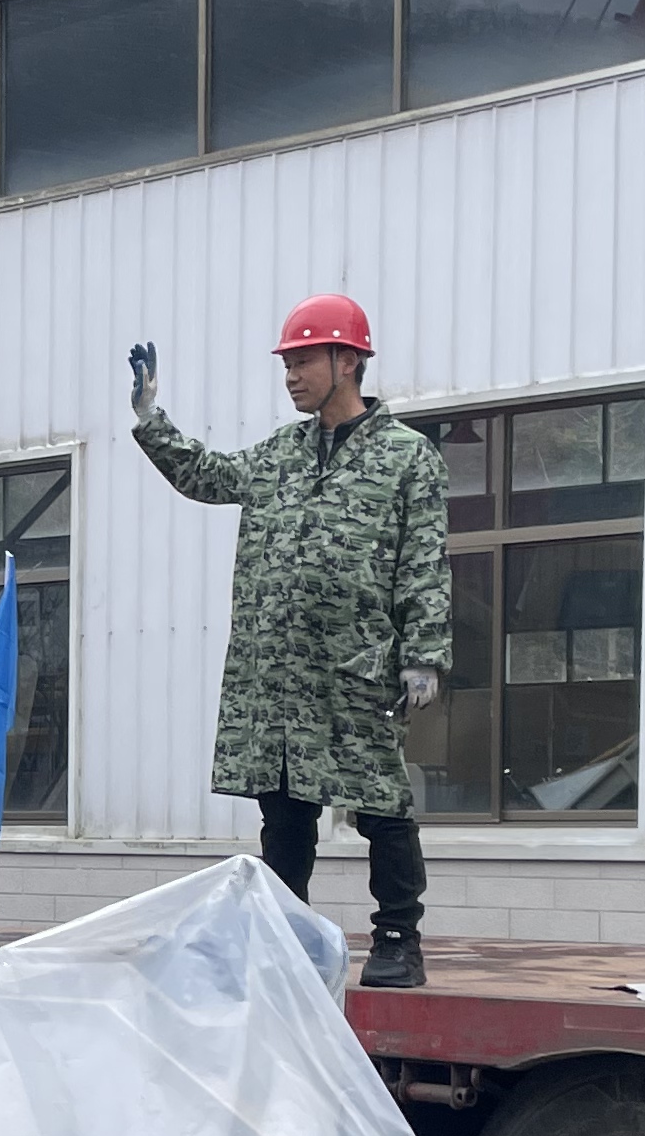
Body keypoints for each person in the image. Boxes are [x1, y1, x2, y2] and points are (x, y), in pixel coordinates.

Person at [128, 296, 452, 987]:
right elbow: (208, 476)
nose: (291, 376)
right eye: (287, 364)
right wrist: (152, 420)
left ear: (348, 361)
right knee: (284, 812)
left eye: (303, 362)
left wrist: (424, 655)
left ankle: (398, 939)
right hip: (276, 674)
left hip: (355, 669)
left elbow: (424, 561)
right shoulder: (280, 454)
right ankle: (282, 940)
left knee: (381, 804)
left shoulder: (406, 456)